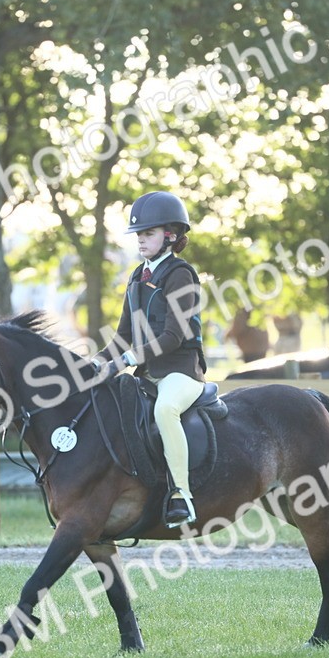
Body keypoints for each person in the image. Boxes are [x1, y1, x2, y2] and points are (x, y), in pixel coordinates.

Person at [95, 191, 206, 526]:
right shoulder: (136, 277)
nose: (140, 240)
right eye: (139, 234)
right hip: (147, 373)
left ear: (170, 235)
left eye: (148, 233)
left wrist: (127, 358)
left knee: (165, 409)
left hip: (182, 372)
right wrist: (93, 364)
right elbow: (122, 337)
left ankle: (181, 496)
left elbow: (172, 336)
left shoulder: (180, 275)